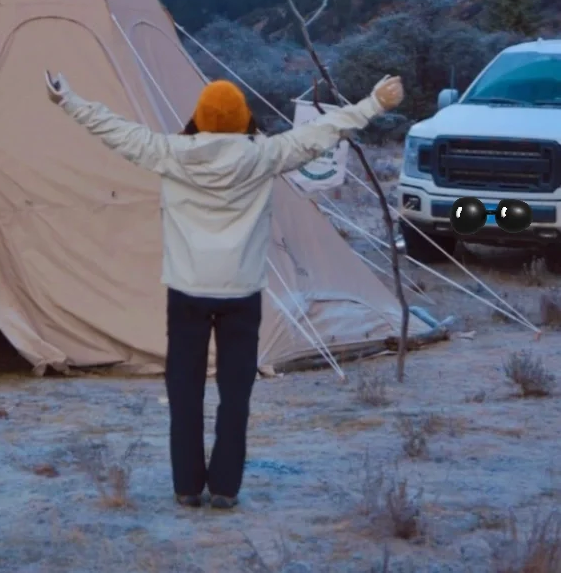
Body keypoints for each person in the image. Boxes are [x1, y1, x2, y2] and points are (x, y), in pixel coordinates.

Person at [45, 70, 405, 511]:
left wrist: (68, 100)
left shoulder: (170, 153)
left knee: (184, 391)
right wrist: (374, 103)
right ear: (243, 118)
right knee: (236, 396)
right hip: (241, 293)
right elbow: (321, 133)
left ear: (198, 117)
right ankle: (225, 489)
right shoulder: (266, 154)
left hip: (187, 292)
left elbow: (116, 131)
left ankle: (187, 486)